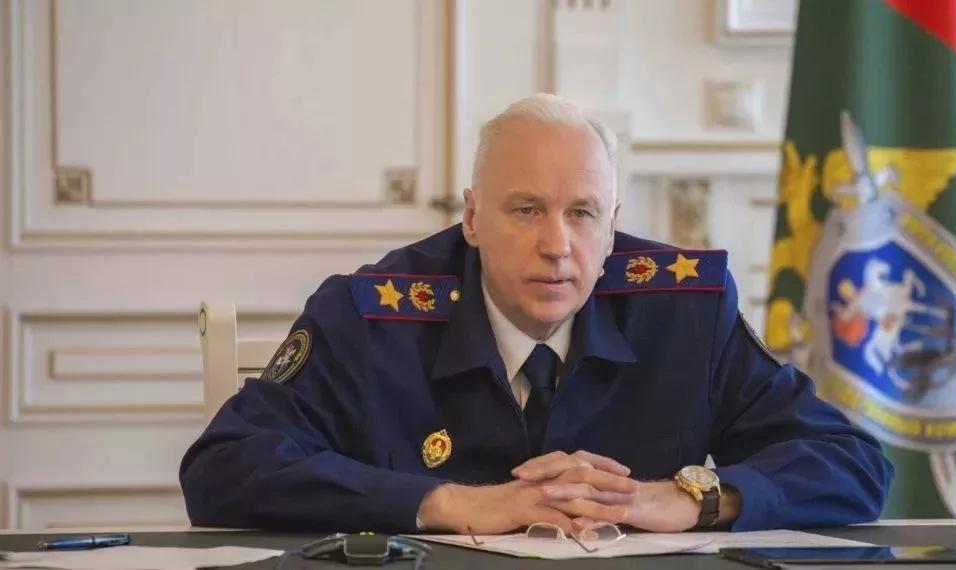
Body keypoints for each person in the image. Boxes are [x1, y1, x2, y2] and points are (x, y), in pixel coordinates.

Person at [180, 93, 892, 535]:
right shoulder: (370, 315)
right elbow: (224, 467)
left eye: (582, 213)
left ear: (611, 228)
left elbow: (853, 463)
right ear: (471, 217)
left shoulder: (684, 313)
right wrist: (451, 503)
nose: (557, 245)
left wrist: (693, 499)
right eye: (525, 210)